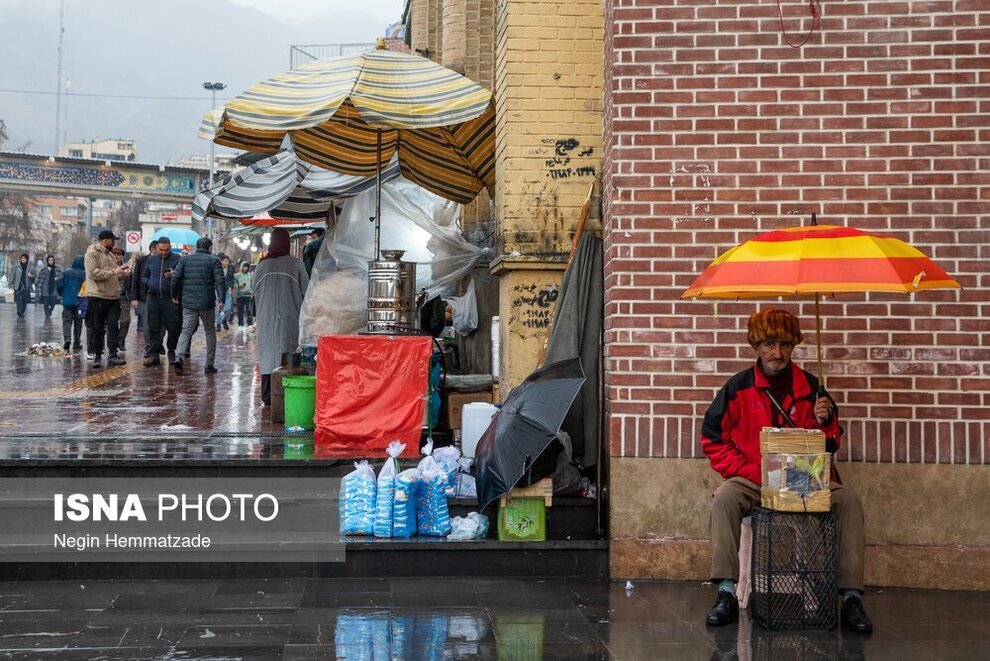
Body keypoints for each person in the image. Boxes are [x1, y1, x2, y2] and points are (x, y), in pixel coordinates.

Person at [700, 308, 871, 634]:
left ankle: (850, 597)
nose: (777, 353)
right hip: (754, 479)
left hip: (805, 479)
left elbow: (831, 444)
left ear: (794, 347)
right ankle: (725, 591)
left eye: (785, 345)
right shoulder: (737, 388)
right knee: (724, 497)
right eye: (769, 344)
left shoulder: (812, 388)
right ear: (756, 346)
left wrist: (826, 422)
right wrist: (754, 471)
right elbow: (712, 439)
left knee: (848, 501)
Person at [253, 228, 309, 405]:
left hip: (266, 317)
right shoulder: (296, 264)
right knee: (288, 353)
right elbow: (307, 291)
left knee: (267, 354)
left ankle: (268, 396)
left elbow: (254, 292)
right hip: (290, 316)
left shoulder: (262, 266)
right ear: (287, 243)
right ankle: (287, 397)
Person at [171, 237, 225, 375]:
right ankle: (209, 364)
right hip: (206, 302)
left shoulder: (185, 260)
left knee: (186, 331)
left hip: (188, 302)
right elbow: (220, 281)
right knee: (210, 332)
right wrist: (221, 299)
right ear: (210, 248)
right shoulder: (214, 261)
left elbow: (175, 278)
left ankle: (179, 357)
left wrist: (174, 295)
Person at [84, 231, 129, 368]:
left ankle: (113, 354)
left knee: (113, 326)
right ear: (105, 240)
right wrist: (114, 272)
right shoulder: (92, 253)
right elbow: (94, 273)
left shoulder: (110, 255)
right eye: (112, 240)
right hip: (98, 296)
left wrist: (122, 274)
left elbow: (114, 275)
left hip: (113, 297)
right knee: (98, 327)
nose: (114, 243)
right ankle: (97, 355)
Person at [141, 238, 182, 367]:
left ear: (170, 247)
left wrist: (174, 275)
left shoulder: (177, 259)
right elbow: (144, 277)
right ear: (157, 248)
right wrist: (150, 283)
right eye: (161, 250)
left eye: (166, 250)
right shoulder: (151, 259)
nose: (164, 252)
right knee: (153, 326)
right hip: (153, 297)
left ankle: (172, 351)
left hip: (170, 298)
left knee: (173, 326)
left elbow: (182, 276)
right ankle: (154, 354)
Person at [57, 255, 86, 353]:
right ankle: (77, 342)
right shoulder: (84, 274)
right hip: (80, 301)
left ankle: (67, 338)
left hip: (67, 300)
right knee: (78, 323)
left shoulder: (66, 272)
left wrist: (62, 294)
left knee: (66, 321)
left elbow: (59, 284)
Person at [130, 240, 158, 334]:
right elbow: (135, 279)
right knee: (146, 323)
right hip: (144, 296)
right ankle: (148, 345)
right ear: (153, 249)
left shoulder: (163, 261)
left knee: (156, 323)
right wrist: (134, 297)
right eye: (159, 249)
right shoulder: (142, 261)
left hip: (158, 296)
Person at [112, 246, 132, 354]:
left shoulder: (126, 268)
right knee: (112, 322)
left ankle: (121, 340)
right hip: (111, 297)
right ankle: (113, 342)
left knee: (126, 320)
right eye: (114, 254)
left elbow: (132, 283)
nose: (116, 256)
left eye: (118, 255)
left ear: (122, 256)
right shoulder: (109, 267)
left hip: (124, 297)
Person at [11, 253, 35, 318]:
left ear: (27, 259)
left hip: (26, 286)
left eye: (24, 258)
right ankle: (19, 311)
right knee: (18, 299)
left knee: (24, 300)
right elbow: (13, 275)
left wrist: (31, 276)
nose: (23, 259)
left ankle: (22, 312)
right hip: (18, 285)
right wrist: (10, 283)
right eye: (22, 258)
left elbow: (35, 277)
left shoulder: (30, 267)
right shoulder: (17, 266)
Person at [215, 254, 234, 332]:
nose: (227, 263)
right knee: (218, 308)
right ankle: (218, 323)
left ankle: (224, 320)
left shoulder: (230, 270)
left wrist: (230, 286)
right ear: (221, 261)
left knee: (228, 308)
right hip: (217, 290)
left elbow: (232, 280)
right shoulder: (217, 269)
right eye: (225, 261)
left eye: (228, 261)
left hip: (227, 290)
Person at [234, 261, 254, 327]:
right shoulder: (237, 276)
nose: (245, 268)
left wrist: (253, 293)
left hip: (248, 295)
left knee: (249, 310)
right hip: (240, 295)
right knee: (240, 311)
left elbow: (253, 284)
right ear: (241, 267)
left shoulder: (251, 275)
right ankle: (240, 324)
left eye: (247, 267)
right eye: (244, 266)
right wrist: (240, 286)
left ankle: (250, 324)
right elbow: (235, 285)